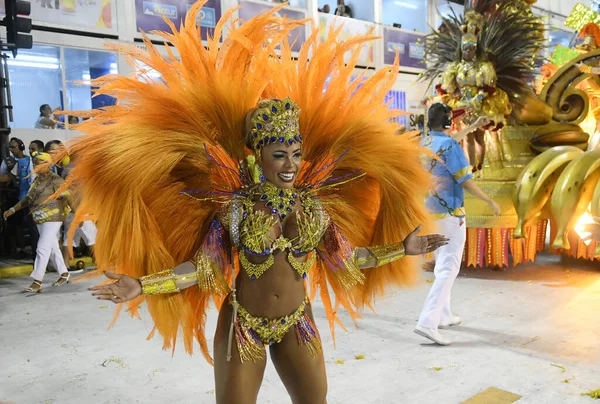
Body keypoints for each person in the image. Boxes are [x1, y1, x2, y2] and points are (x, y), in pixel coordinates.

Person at [67, 5, 446, 403]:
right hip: (242, 325)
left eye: (296, 154)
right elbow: (200, 269)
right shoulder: (236, 210)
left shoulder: (314, 210)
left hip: (297, 322)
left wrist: (402, 250)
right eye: (280, 154)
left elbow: (352, 261)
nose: (290, 165)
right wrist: (141, 286)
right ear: (259, 156)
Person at [415, 102, 500, 346]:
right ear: (449, 122)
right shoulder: (450, 146)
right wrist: (490, 201)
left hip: (430, 214)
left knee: (442, 262)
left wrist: (472, 127)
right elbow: (465, 181)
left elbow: (448, 143)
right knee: (448, 268)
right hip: (451, 214)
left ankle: (443, 315)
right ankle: (427, 322)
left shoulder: (425, 143)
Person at [3, 151, 74, 293]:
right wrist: (12, 209)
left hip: (53, 218)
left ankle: (37, 281)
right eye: (34, 163)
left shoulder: (55, 180)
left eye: (38, 163)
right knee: (52, 247)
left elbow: (68, 197)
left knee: (42, 247)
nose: (35, 165)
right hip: (40, 218)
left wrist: (77, 215)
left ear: (47, 164)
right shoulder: (36, 181)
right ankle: (64, 273)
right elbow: (27, 200)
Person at [0, 137, 38, 259]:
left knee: (34, 225)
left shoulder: (31, 160)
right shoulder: (7, 161)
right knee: (17, 224)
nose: (11, 150)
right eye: (10, 147)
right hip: (15, 196)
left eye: (14, 147)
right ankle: (22, 249)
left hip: (32, 197)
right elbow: (6, 178)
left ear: (21, 147)